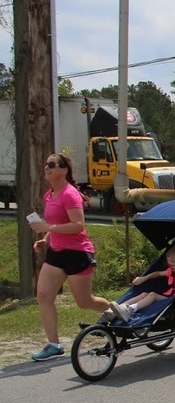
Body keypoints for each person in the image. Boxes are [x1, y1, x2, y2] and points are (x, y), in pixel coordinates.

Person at [29, 153, 112, 361]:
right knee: (43, 295)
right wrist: (46, 239)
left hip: (77, 254)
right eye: (45, 164)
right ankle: (54, 345)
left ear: (63, 169)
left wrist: (48, 227)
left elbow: (78, 225)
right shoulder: (50, 194)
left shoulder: (70, 194)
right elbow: (58, 223)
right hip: (56, 254)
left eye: (51, 165)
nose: (46, 168)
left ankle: (117, 312)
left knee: (84, 302)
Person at [106, 241, 175, 322]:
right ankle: (118, 309)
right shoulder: (172, 272)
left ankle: (130, 310)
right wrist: (144, 278)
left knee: (152, 295)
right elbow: (157, 274)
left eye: (172, 266)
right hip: (166, 297)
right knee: (144, 294)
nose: (170, 268)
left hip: (174, 300)